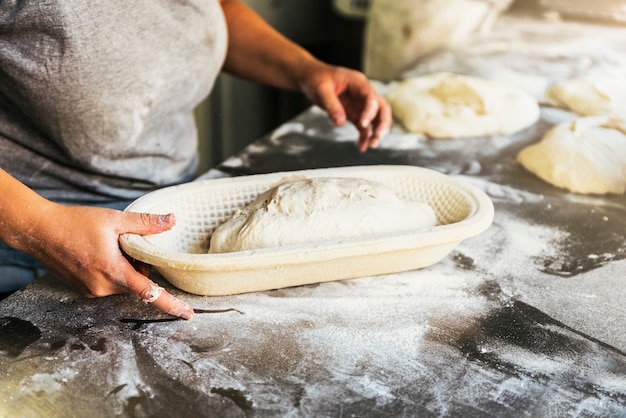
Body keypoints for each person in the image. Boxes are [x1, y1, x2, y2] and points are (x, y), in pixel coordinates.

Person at [0, 0, 391, 319]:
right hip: (30, 237)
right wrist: (36, 227)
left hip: (173, 215)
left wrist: (306, 69)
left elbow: (210, 10)